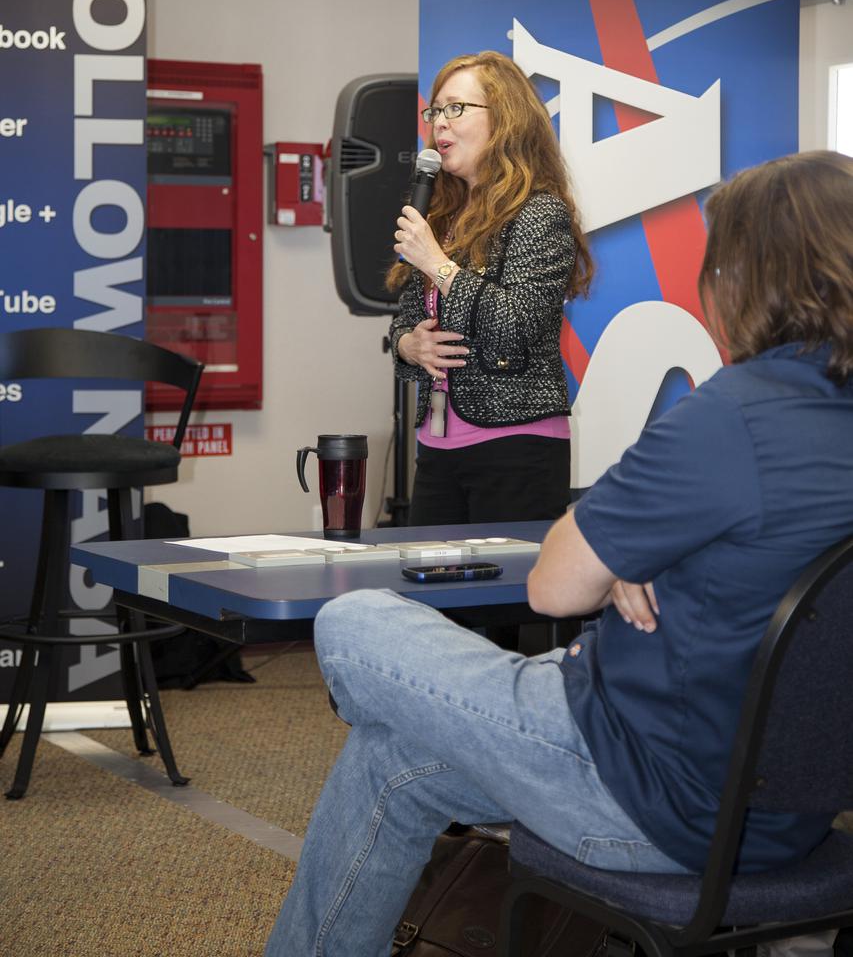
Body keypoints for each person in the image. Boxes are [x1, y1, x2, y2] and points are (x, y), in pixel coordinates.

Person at [265, 150, 853, 957]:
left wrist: (617, 563)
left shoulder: (735, 414)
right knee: (392, 762)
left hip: (640, 795)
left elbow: (553, 588)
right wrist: (640, 558)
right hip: (789, 813)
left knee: (353, 621)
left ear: (744, 276)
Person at [386, 50, 593, 529]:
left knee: (499, 604)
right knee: (429, 591)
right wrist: (409, 344)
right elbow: (405, 320)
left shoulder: (540, 214)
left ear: (505, 120)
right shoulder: (443, 215)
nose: (440, 122)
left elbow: (516, 326)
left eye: (456, 108)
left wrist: (437, 264)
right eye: (435, 110)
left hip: (515, 447)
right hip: (436, 446)